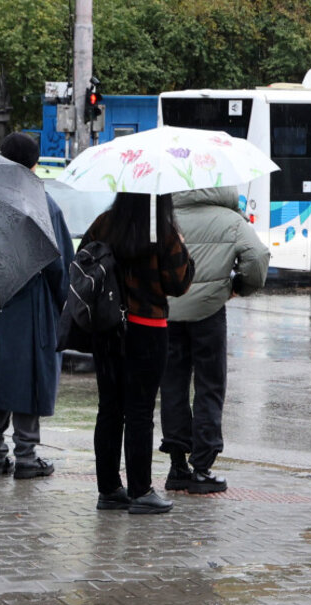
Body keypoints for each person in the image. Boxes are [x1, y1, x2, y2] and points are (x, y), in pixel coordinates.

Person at [83, 192, 194, 514]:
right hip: (147, 328)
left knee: (110, 409)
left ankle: (109, 490)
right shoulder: (163, 231)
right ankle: (141, 490)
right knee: (140, 412)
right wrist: (184, 249)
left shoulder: (104, 224)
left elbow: (84, 264)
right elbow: (178, 282)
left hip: (107, 329)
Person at [0, 133, 74, 480]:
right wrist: (66, 309)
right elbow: (60, 266)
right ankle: (27, 456)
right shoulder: (44, 204)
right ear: (35, 164)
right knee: (29, 377)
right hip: (32, 305)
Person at [159, 187, 269, 494]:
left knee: (172, 387)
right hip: (209, 313)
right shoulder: (230, 220)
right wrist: (239, 285)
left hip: (168, 313)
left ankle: (178, 466)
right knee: (209, 386)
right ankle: (202, 468)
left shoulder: (166, 216)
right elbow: (258, 256)